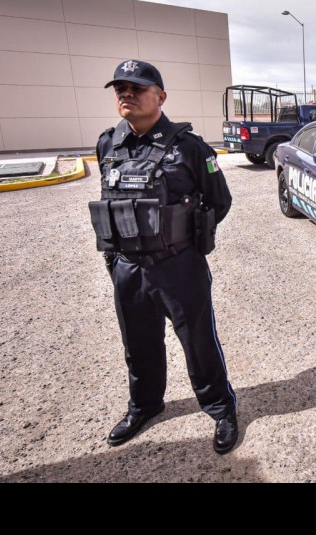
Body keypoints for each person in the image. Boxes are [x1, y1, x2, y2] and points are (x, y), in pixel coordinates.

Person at [89, 60, 238, 454]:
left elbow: (219, 201)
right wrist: (118, 260)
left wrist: (186, 239)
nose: (126, 94)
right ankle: (145, 405)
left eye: (137, 88)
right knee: (138, 343)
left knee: (199, 342)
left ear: (160, 97)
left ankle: (220, 407)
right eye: (120, 88)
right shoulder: (108, 144)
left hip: (179, 266)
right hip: (128, 268)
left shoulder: (189, 147)